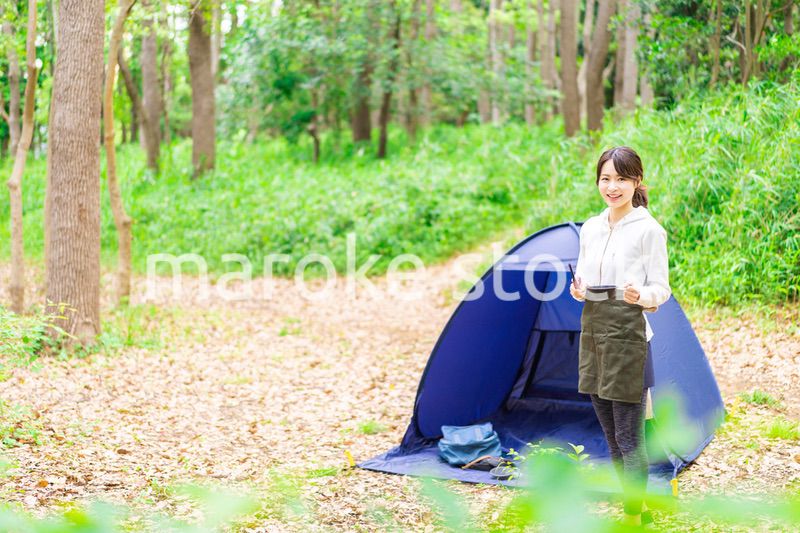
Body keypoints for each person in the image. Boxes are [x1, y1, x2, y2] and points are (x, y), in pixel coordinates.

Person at [569, 146, 671, 527]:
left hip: (629, 336)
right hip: (593, 331)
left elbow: (661, 288)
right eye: (606, 179)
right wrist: (578, 289)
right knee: (610, 435)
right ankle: (637, 508)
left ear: (636, 182)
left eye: (621, 179)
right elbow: (585, 276)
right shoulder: (590, 228)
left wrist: (641, 296)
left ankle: (631, 516)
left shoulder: (649, 230)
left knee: (630, 438)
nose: (612, 187)